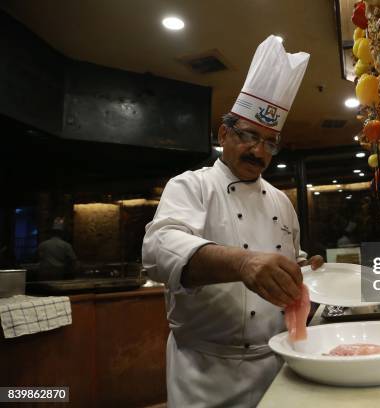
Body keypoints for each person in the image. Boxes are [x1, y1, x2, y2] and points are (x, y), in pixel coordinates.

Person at [142, 36, 322, 407]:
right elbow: (158, 250)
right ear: (224, 134)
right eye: (249, 136)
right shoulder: (191, 185)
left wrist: (306, 274)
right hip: (206, 373)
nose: (258, 151)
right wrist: (243, 263)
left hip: (278, 362)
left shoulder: (280, 202)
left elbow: (290, 260)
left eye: (270, 143)